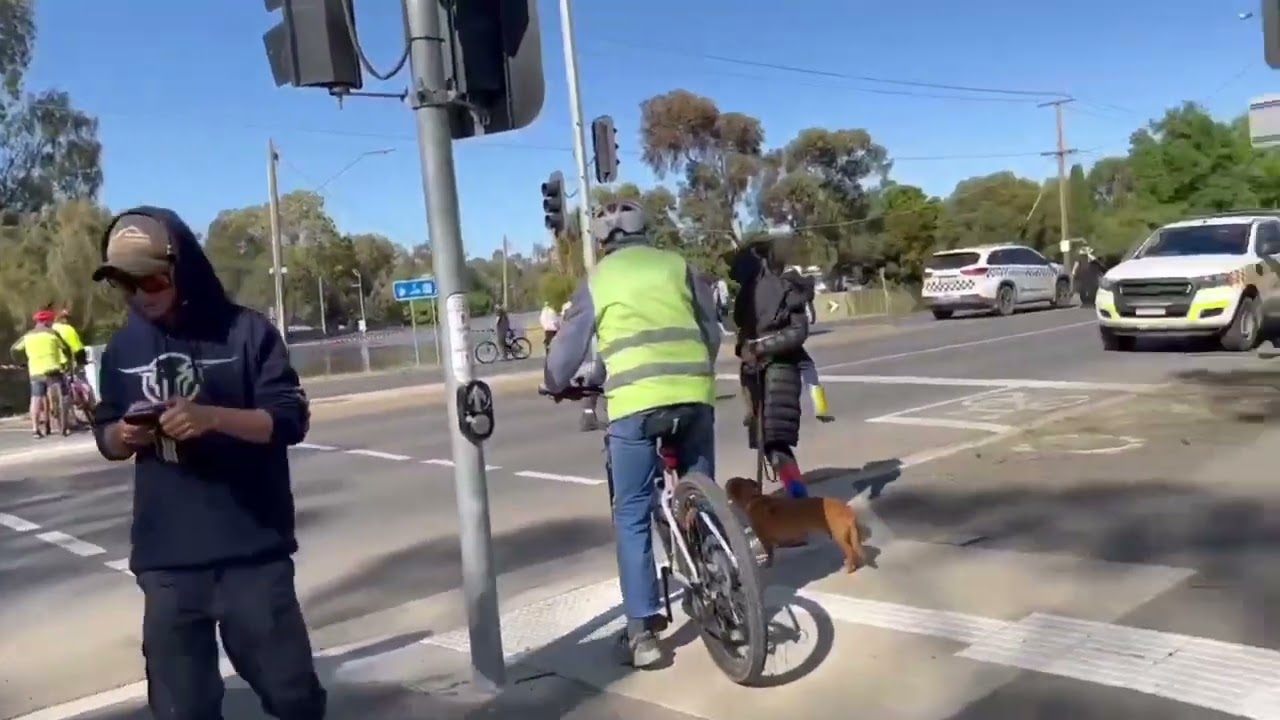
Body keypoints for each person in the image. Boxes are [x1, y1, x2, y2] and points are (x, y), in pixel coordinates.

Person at [89, 208, 326, 720]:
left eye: (151, 278)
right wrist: (125, 435)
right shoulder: (121, 350)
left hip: (251, 554)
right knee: (181, 707)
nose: (140, 294)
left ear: (183, 268)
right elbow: (105, 434)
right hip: (167, 563)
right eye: (124, 283)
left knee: (292, 696)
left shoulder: (247, 333)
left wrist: (213, 418)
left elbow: (288, 420)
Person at [543, 200, 720, 669]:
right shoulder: (679, 266)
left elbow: (569, 346)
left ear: (604, 240)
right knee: (702, 494)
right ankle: (722, 572)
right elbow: (711, 330)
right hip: (695, 393)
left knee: (633, 515)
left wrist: (553, 382)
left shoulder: (599, 280)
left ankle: (642, 632)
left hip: (636, 408)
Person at [732, 239, 812, 501]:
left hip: (779, 372)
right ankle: (795, 501)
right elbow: (744, 332)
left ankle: (800, 503)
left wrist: (762, 348)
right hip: (754, 375)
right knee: (768, 443)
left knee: (776, 444)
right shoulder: (747, 293)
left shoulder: (787, 288)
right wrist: (744, 348)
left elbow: (798, 332)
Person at [10, 309, 73, 437]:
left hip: (35, 372)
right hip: (53, 370)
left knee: (36, 399)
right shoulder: (52, 334)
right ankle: (65, 426)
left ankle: (35, 430)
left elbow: (14, 350)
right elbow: (66, 348)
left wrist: (22, 362)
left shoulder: (27, 336)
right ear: (47, 322)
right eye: (51, 321)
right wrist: (67, 363)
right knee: (65, 394)